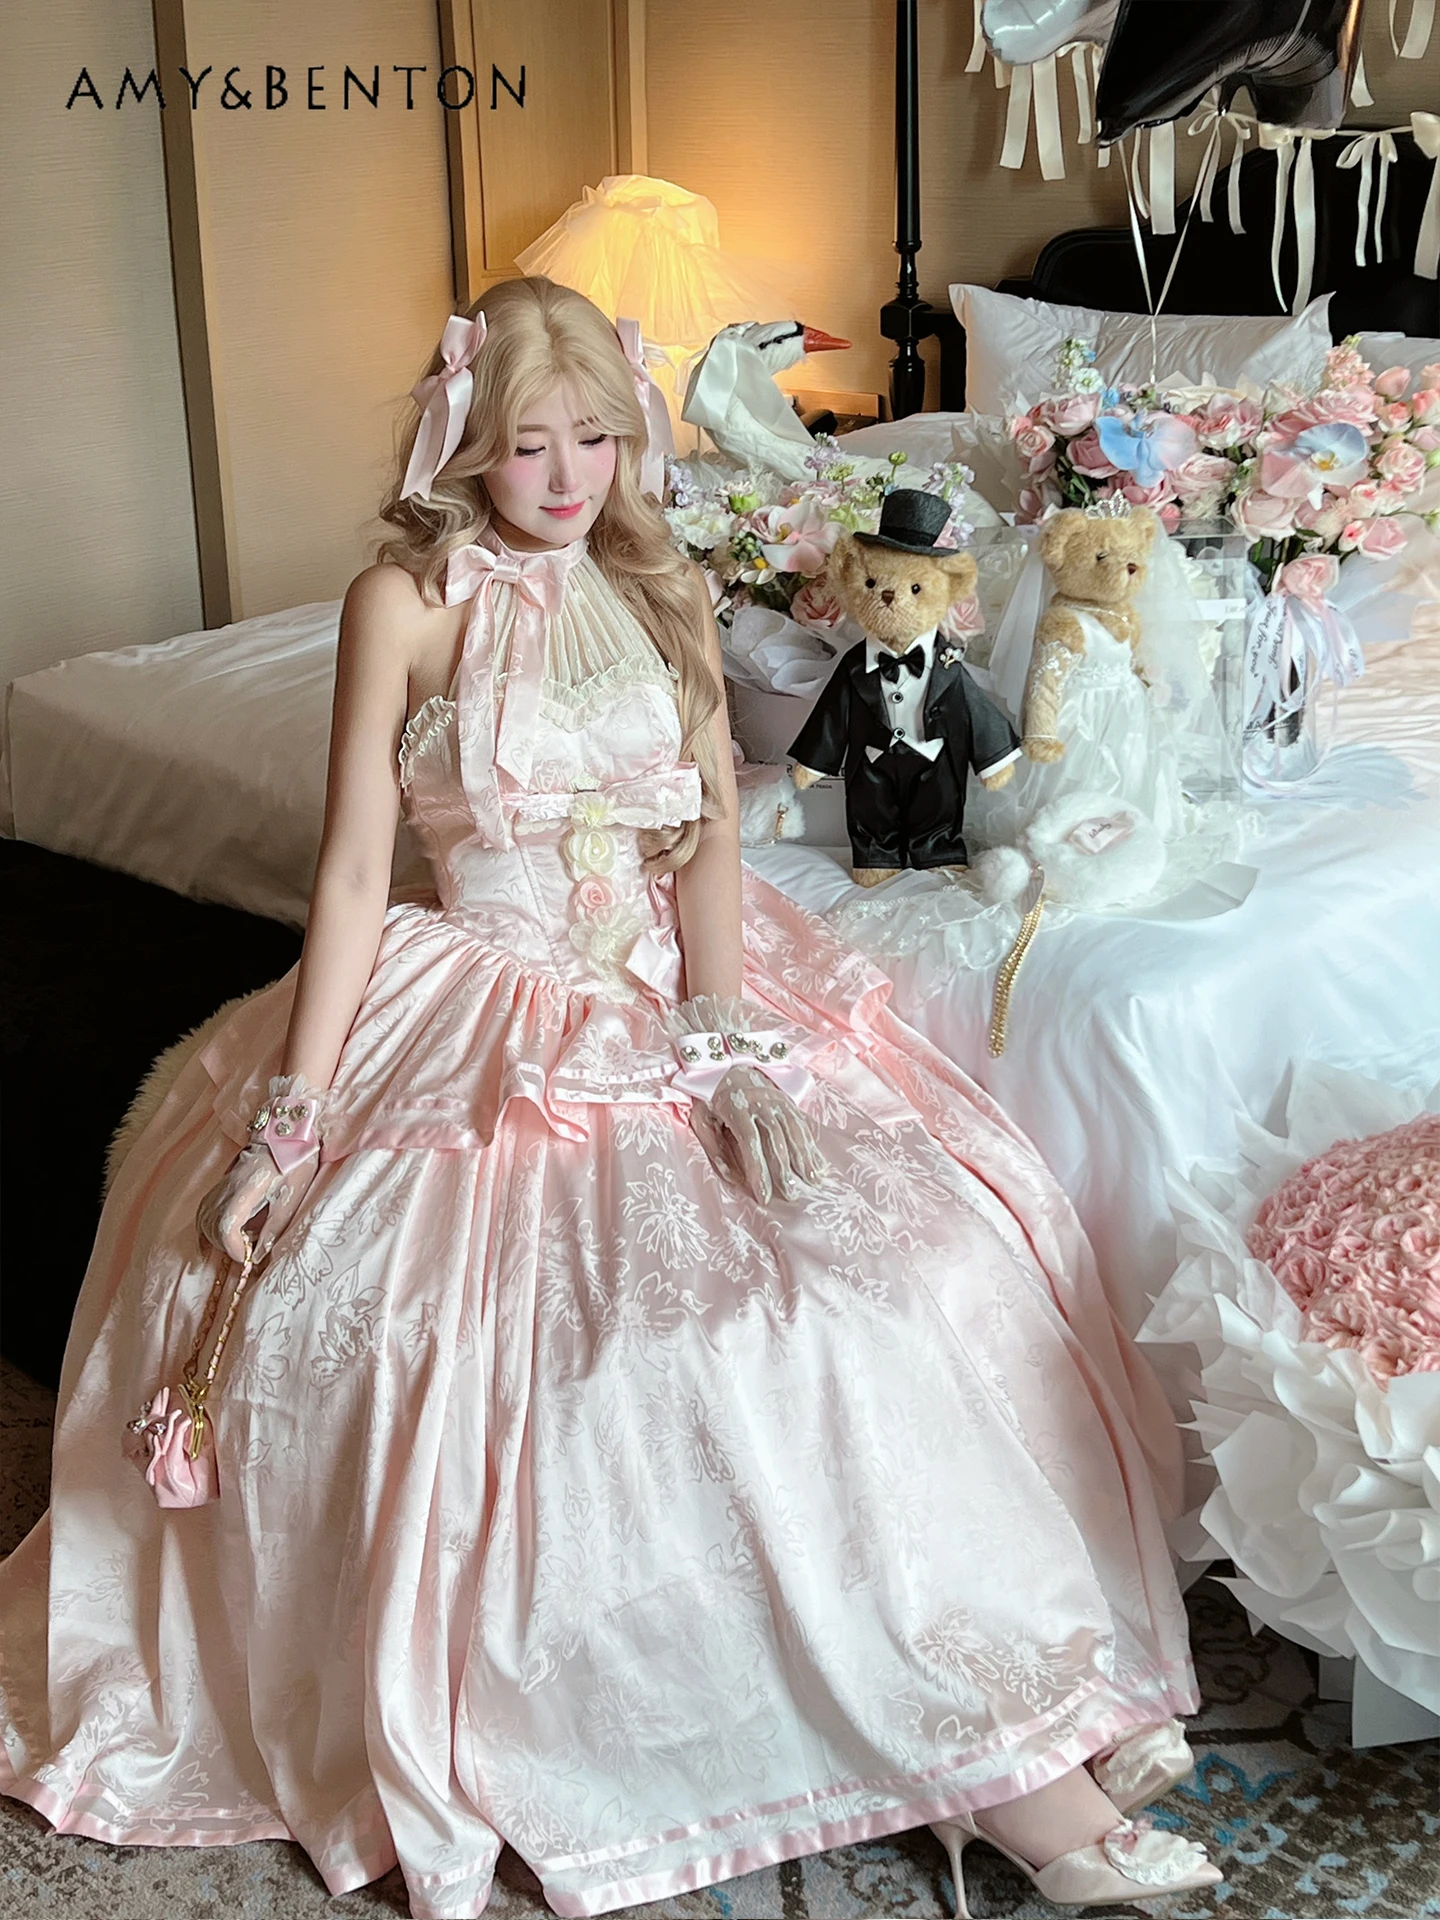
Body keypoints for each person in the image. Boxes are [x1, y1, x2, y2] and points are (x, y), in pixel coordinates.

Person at [0, 277, 1221, 1919]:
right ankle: (1014, 1782)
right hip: (474, 999)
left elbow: (710, 835)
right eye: (527, 442)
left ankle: (1009, 1709)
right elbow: (357, 869)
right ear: (463, 441)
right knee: (631, 1354)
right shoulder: (404, 601)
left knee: (897, 1276)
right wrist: (291, 1122)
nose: (568, 476)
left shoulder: (661, 587)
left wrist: (720, 1038)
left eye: (596, 436)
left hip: (674, 990)